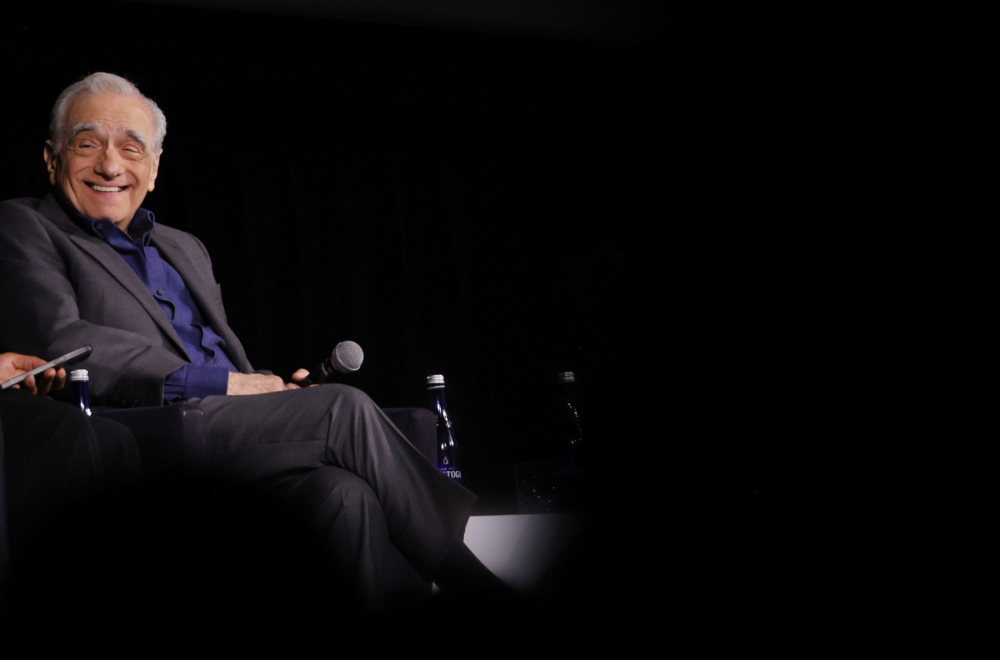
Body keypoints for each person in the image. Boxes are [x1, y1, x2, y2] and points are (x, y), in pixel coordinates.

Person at [0, 72, 505, 615]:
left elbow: (216, 355)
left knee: (343, 493)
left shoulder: (184, 248)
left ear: (155, 166)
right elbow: (64, 339)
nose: (110, 165)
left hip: (227, 427)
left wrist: (275, 392)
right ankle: (471, 584)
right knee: (343, 409)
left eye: (131, 148)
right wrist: (229, 385)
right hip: (141, 430)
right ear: (52, 157)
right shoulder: (24, 224)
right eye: (87, 145)